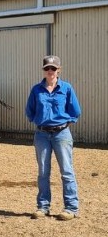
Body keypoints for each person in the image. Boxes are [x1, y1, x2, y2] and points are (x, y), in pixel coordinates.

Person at [25, 55, 82, 221]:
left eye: (53, 68)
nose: (50, 71)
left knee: (66, 171)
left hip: (61, 134)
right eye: (47, 68)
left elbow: (75, 111)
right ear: (43, 70)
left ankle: (71, 208)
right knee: (43, 172)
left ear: (59, 70)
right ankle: (43, 206)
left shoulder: (67, 88)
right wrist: (39, 122)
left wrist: (63, 125)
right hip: (42, 134)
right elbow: (30, 111)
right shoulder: (36, 90)